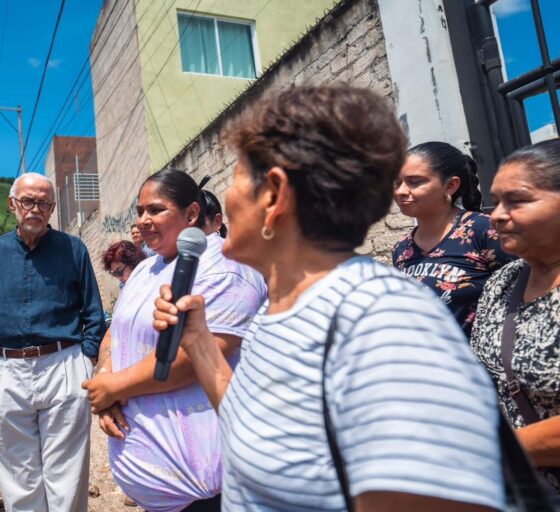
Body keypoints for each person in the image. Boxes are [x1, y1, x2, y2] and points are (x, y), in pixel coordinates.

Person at [152, 86, 505, 511]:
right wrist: (199, 344)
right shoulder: (278, 309)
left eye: (236, 180)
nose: (225, 202)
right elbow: (253, 428)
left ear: (275, 195)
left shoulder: (376, 320)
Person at [82, 169, 266, 512]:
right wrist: (106, 378)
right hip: (163, 495)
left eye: (155, 210)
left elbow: (200, 356)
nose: (143, 220)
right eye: (140, 211)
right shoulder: (145, 270)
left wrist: (115, 387)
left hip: (213, 493)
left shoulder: (224, 265)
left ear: (192, 214)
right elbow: (114, 331)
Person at [0, 172, 105, 512]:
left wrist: (87, 358)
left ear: (52, 207)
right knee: (17, 472)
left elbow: (93, 310)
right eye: (28, 201)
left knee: (68, 469)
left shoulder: (73, 248)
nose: (36, 209)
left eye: (44, 203)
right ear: (12, 204)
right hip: (5, 369)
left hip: (63, 363)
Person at [470, 138, 560, 495]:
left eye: (518, 201)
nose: (496, 215)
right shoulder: (504, 281)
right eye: (497, 201)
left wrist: (486, 452)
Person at [392, 141, 514, 337]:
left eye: (414, 182)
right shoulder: (401, 249)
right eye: (397, 183)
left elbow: (522, 297)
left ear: (450, 185)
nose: (400, 191)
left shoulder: (484, 231)